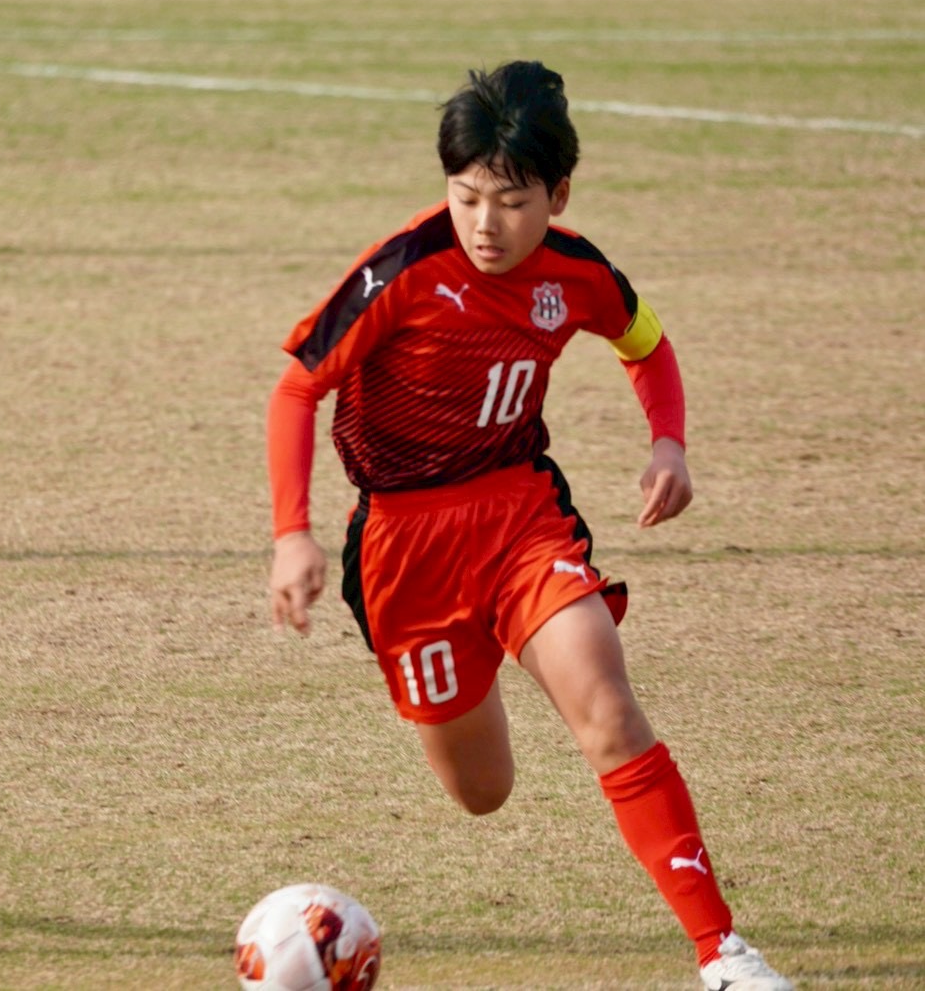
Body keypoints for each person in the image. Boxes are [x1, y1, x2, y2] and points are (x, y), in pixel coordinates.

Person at [264, 62, 791, 991]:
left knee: (609, 712)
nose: (485, 224)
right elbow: (298, 388)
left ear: (558, 195)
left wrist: (668, 443)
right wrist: (291, 534)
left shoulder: (577, 271)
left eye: (511, 202)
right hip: (400, 548)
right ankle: (478, 655)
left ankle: (722, 955)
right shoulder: (402, 270)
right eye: (465, 196)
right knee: (483, 792)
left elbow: (644, 343)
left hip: (518, 515)